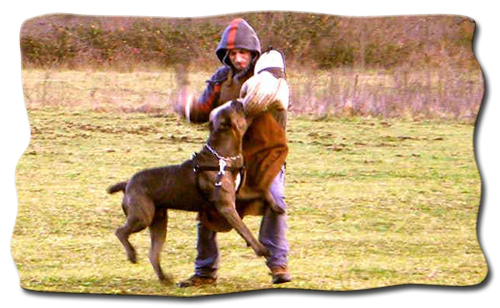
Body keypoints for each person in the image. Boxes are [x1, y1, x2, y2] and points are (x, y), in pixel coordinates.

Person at [176, 18, 291, 286]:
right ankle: (205, 272)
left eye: (244, 53)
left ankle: (278, 264)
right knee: (208, 206)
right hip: (226, 158)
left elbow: (276, 97)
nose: (239, 58)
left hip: (265, 152)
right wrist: (187, 106)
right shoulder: (220, 78)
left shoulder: (269, 76)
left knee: (276, 201)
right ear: (226, 55)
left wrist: (255, 97)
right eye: (234, 53)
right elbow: (202, 111)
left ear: (253, 53)